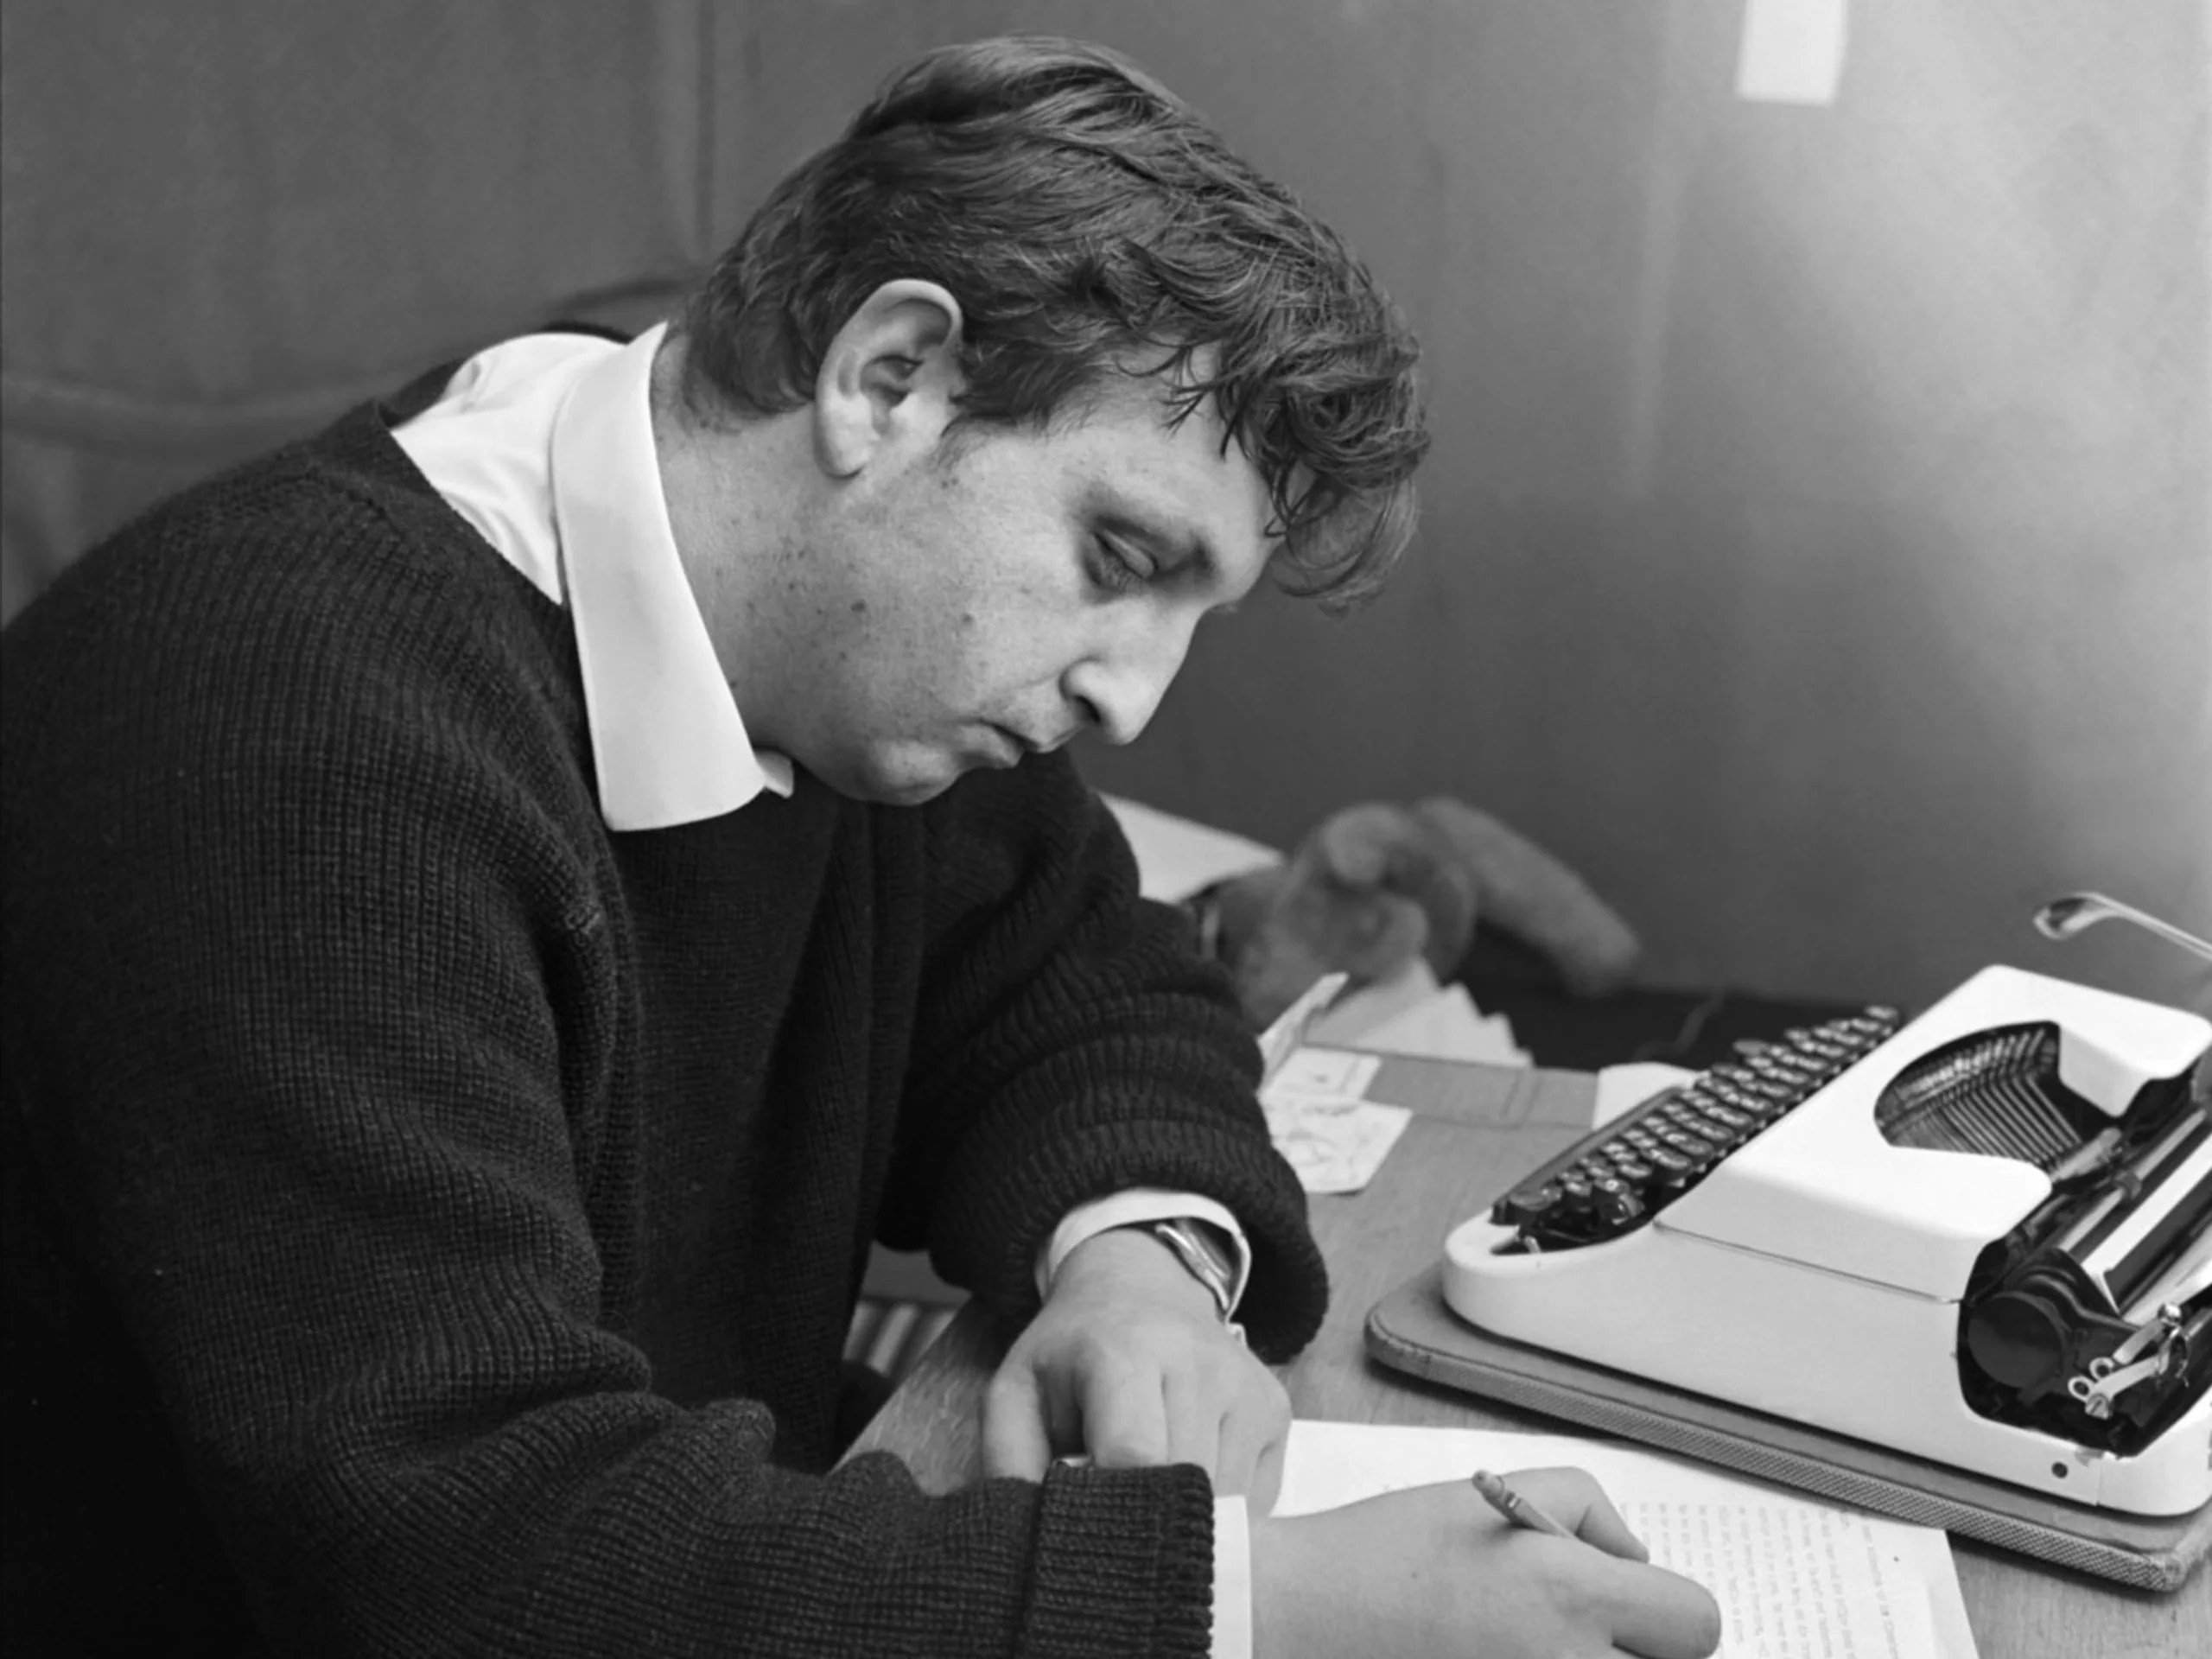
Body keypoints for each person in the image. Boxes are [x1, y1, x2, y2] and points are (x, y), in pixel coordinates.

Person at [0, 33, 1719, 1659]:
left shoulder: (851, 664)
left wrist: (1140, 1264)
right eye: (1119, 556)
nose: (1131, 697)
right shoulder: (281, 717)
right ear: (886, 378)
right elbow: (475, 1557)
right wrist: (1246, 1609)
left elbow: (1087, 986)